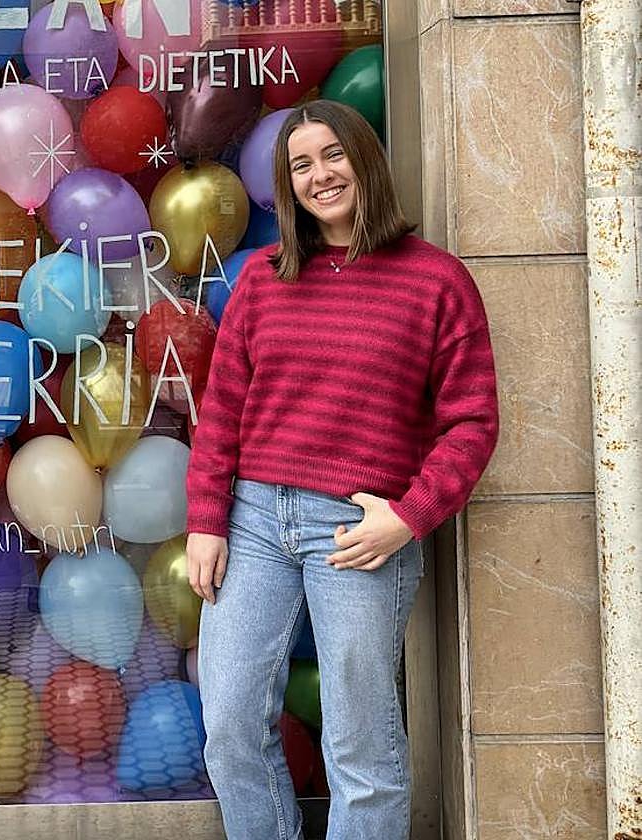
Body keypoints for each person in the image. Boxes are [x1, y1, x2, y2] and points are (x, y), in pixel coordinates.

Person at [185, 100, 498, 840]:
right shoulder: (263, 278)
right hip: (255, 523)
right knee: (229, 723)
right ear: (287, 185)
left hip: (360, 530)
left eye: (333, 155)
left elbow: (472, 423)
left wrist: (407, 517)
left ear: (365, 160)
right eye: (300, 164)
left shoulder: (435, 281)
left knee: (361, 747)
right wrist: (206, 520)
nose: (319, 175)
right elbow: (222, 409)